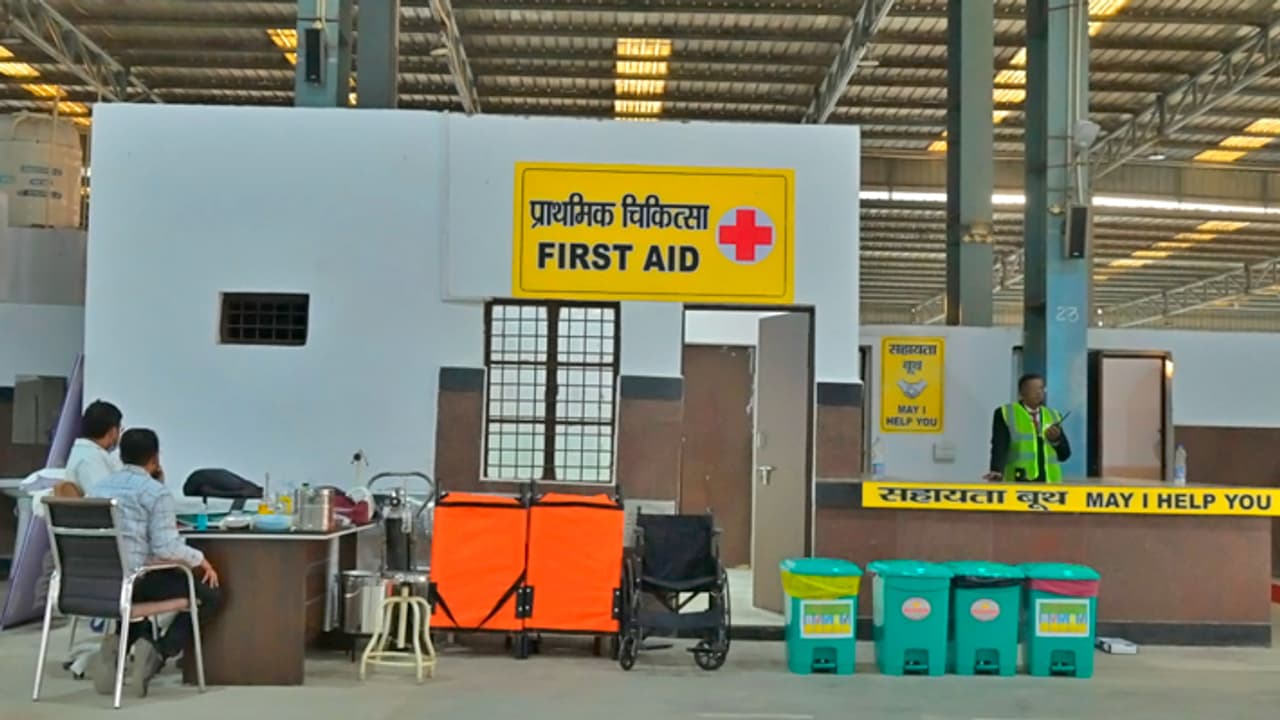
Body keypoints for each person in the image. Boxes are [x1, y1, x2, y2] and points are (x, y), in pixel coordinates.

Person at [86, 428, 221, 698]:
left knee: (138, 598)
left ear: (121, 455)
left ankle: (119, 647)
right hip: (138, 580)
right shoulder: (155, 493)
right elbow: (165, 547)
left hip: (98, 583)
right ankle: (158, 653)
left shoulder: (96, 489)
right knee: (210, 594)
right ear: (155, 457)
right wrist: (201, 559)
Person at [985, 373, 1071, 483]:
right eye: (1033, 389)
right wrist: (996, 470)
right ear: (1022, 393)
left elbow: (1064, 455)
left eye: (1041, 388)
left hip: (1050, 483)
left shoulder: (1053, 415)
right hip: (1019, 480)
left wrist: (1056, 441)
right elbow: (999, 446)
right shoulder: (1006, 413)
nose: (1039, 393)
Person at [65, 400, 124, 493]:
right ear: (112, 431)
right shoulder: (90, 459)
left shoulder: (90, 453)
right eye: (120, 429)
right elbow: (102, 498)